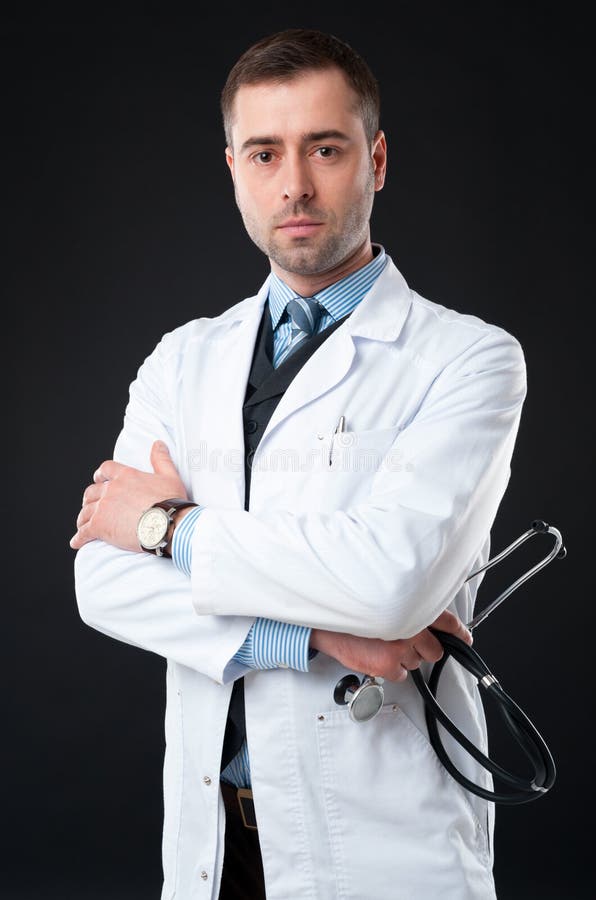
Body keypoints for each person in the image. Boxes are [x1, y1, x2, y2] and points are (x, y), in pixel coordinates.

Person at [70, 27, 527, 900]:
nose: (295, 185)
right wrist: (315, 633)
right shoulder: (182, 359)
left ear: (377, 159)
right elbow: (103, 583)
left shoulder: (468, 358)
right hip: (214, 843)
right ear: (232, 166)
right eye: (264, 152)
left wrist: (166, 526)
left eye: (326, 148)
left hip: (380, 847)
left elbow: (389, 582)